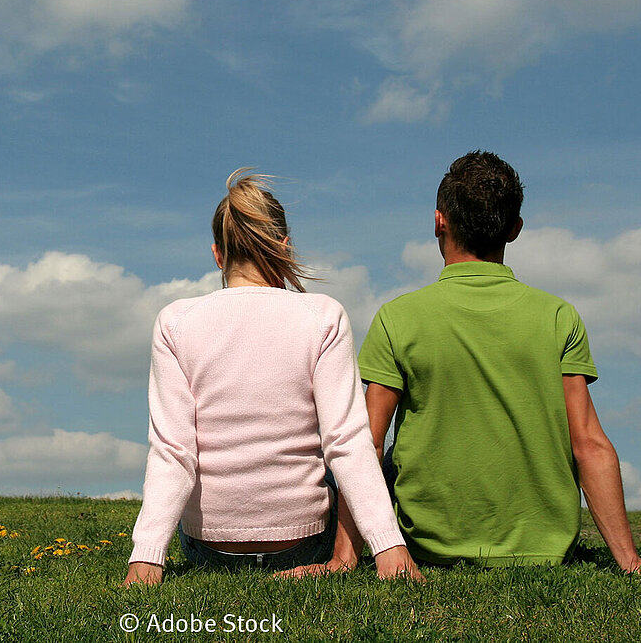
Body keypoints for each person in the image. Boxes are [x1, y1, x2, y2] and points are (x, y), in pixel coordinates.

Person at [315, 151, 641, 578]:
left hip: (430, 547)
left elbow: (366, 445)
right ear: (515, 229)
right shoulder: (559, 317)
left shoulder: (398, 318)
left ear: (438, 221)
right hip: (545, 552)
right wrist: (633, 562)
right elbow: (589, 444)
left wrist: (343, 559)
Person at [124, 169, 422, 586]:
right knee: (345, 452)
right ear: (284, 247)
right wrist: (389, 546)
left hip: (211, 550)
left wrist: (147, 556)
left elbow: (173, 450)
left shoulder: (175, 322)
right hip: (301, 544)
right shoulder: (323, 315)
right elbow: (347, 441)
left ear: (217, 255)